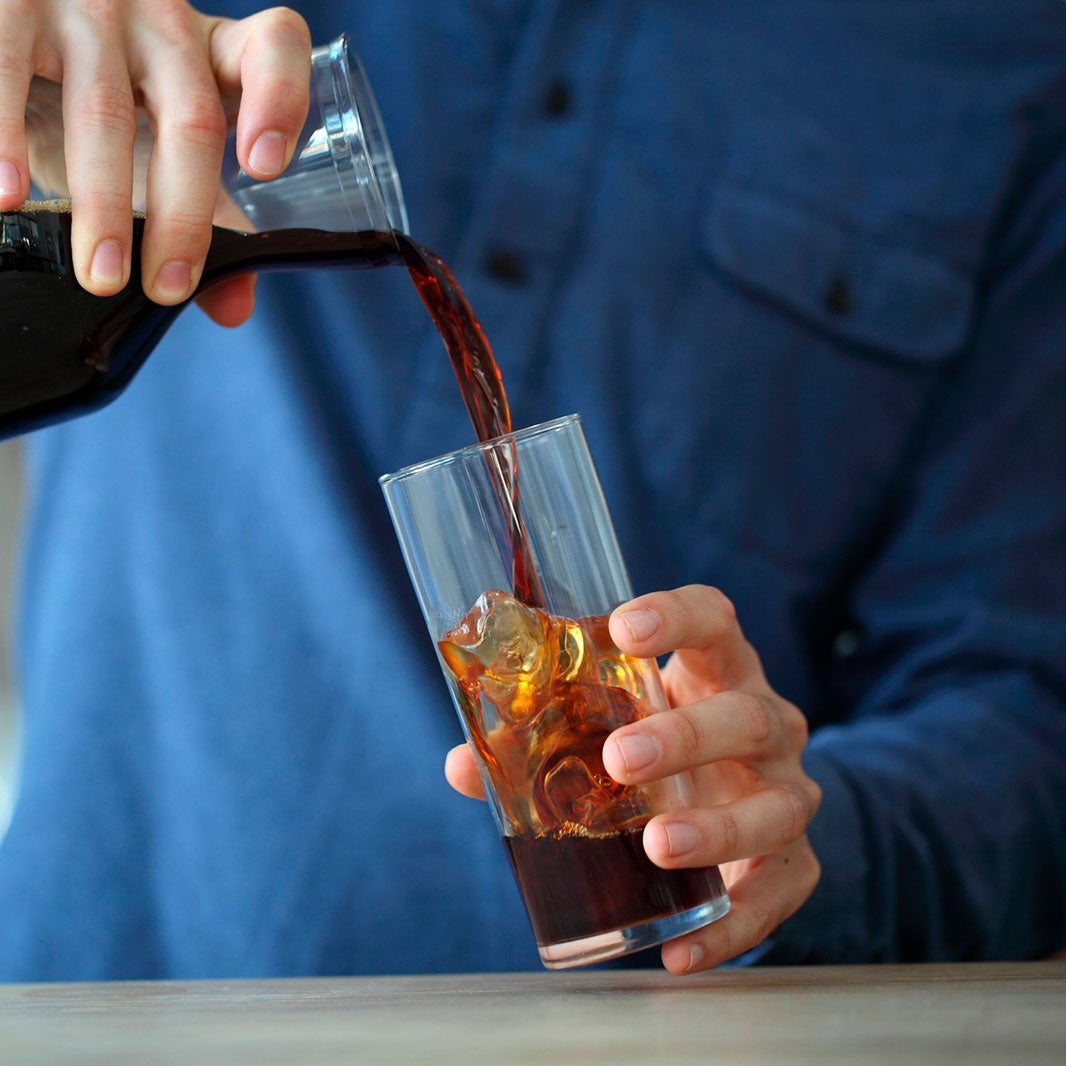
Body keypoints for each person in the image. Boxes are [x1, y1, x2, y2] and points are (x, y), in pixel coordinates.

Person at [0, 0, 1064, 981]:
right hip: (95, 1001)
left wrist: (802, 825)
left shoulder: (997, 53)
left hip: (641, 1023)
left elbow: (1026, 711)